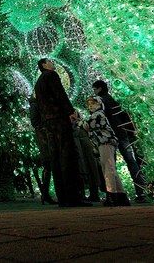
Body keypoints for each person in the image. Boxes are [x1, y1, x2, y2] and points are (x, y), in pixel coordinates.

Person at [34, 58, 91, 207]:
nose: (53, 64)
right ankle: (73, 197)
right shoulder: (51, 75)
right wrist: (70, 111)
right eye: (50, 62)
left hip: (48, 122)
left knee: (56, 158)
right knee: (68, 155)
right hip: (59, 119)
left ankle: (63, 197)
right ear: (44, 65)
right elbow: (60, 94)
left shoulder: (38, 82)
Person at [92, 80, 148, 203]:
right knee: (131, 162)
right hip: (122, 134)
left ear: (99, 89)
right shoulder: (114, 100)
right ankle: (141, 192)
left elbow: (98, 119)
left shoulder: (100, 101)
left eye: (95, 89)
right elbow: (124, 117)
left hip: (110, 137)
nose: (94, 92)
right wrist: (130, 132)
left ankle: (113, 195)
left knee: (110, 166)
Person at [84, 97, 130, 206]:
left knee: (108, 169)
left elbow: (88, 125)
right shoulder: (98, 115)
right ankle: (121, 196)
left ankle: (112, 196)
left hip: (105, 142)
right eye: (89, 104)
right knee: (111, 168)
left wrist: (78, 120)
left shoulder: (97, 115)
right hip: (105, 143)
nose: (90, 106)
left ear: (99, 104)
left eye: (93, 103)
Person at [29, 96, 57, 204]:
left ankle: (45, 194)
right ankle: (45, 194)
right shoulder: (36, 105)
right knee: (48, 164)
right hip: (44, 137)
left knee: (48, 165)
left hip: (45, 136)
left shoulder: (37, 105)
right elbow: (35, 122)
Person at [71, 110, 103, 202]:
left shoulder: (82, 124)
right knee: (84, 170)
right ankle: (85, 194)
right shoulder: (74, 126)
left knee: (92, 170)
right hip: (80, 152)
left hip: (87, 151)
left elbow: (90, 132)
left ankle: (94, 194)